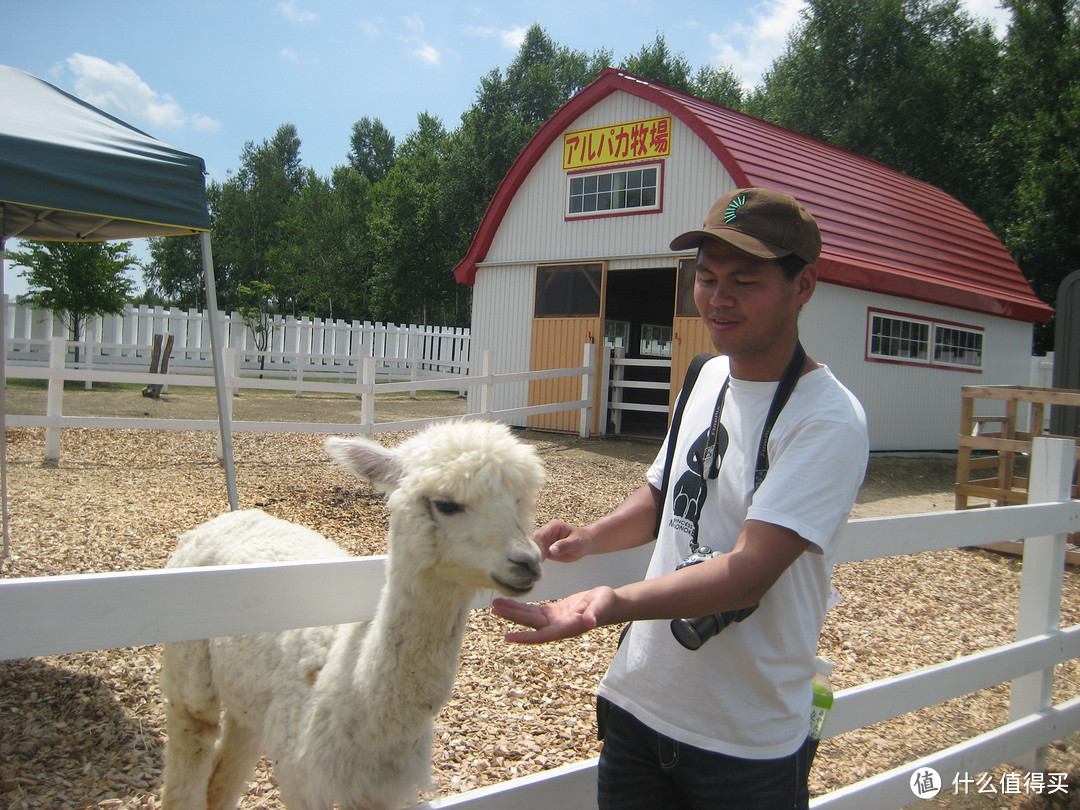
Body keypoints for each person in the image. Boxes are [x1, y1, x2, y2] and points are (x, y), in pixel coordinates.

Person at [492, 187, 870, 810]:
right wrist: (589, 538)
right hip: (639, 707)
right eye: (707, 277)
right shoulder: (705, 376)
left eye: (745, 280)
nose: (718, 298)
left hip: (743, 745)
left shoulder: (828, 419)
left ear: (803, 286)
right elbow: (663, 495)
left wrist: (607, 603)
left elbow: (748, 575)